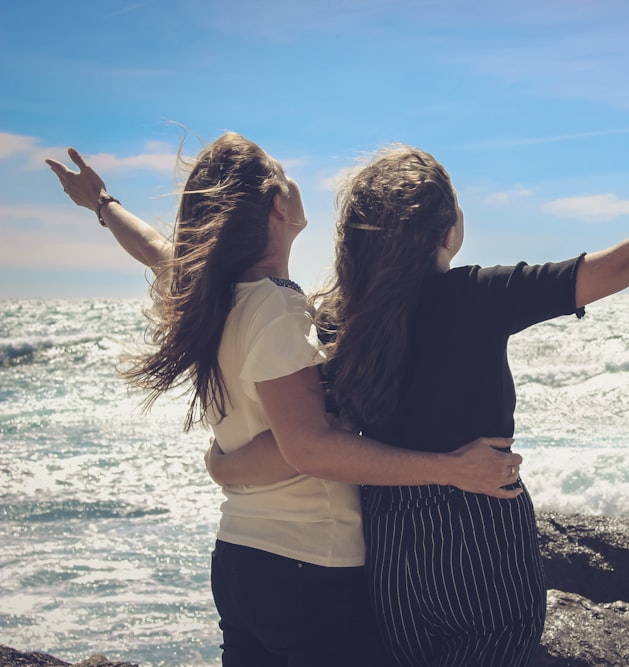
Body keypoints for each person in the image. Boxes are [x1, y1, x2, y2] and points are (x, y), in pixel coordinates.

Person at [211, 144, 629, 666]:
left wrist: (224, 467)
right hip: (479, 531)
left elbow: (302, 438)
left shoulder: (338, 319)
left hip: (392, 550)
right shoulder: (482, 295)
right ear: (449, 228)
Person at [46, 135, 524, 666]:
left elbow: (154, 249)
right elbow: (308, 449)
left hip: (241, 560)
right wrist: (453, 470)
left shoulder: (208, 292)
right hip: (310, 567)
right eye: (288, 176)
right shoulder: (274, 306)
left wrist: (103, 204)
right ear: (279, 204)